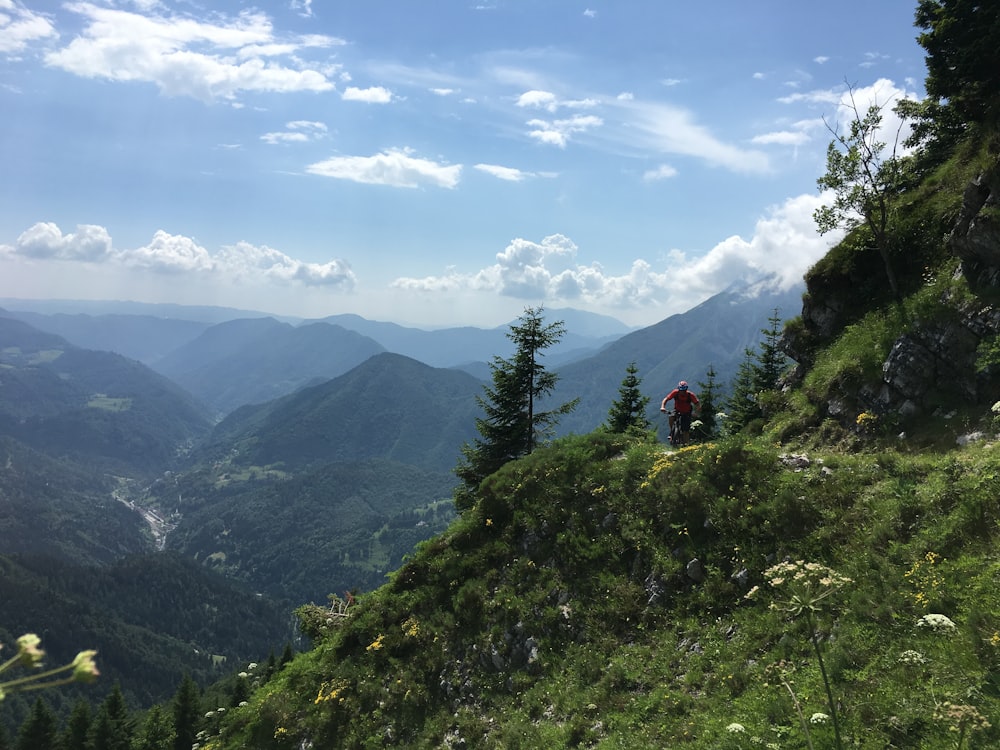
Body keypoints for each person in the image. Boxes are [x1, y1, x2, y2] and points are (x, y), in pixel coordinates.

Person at [660, 380, 700, 446]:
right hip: (677, 410)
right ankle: (672, 432)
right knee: (671, 417)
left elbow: (698, 404)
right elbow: (666, 399)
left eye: (684, 390)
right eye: (681, 389)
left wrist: (696, 413)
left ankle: (686, 444)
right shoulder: (675, 392)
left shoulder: (690, 395)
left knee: (685, 430)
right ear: (678, 388)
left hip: (687, 412)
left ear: (686, 389)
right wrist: (662, 407)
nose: (682, 391)